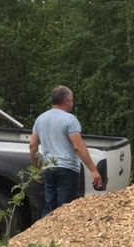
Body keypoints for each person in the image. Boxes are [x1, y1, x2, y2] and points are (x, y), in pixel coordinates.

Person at [29, 85, 103, 217]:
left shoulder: (40, 119)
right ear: (66, 101)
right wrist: (93, 170)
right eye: (72, 100)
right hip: (67, 168)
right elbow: (78, 147)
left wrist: (36, 167)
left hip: (48, 167)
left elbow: (33, 145)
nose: (72, 103)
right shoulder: (70, 120)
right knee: (64, 208)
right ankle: (60, 236)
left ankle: (43, 234)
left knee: (49, 205)